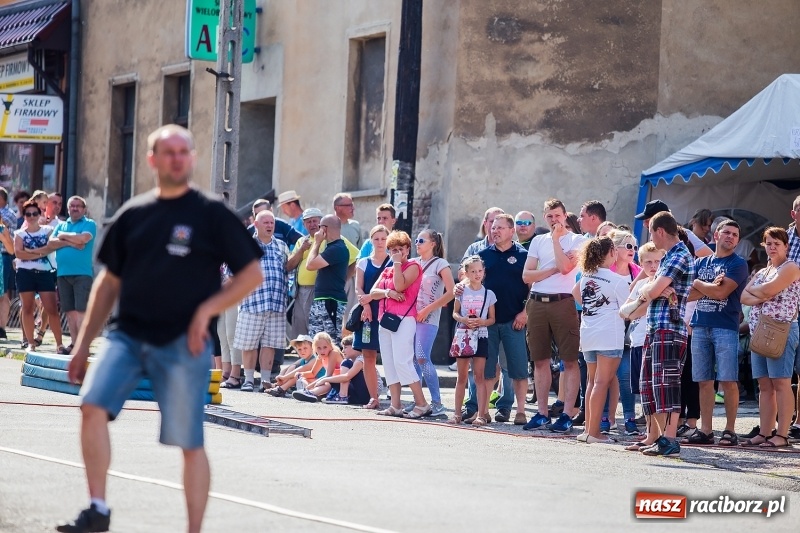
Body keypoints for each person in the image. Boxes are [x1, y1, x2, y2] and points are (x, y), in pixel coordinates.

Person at [59, 125, 263, 533]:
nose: (175, 158)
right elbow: (107, 284)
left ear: (192, 158)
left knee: (189, 442)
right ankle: (97, 508)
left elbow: (251, 274)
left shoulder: (210, 214)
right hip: (127, 336)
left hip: (182, 343)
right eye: (167, 152)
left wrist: (206, 310)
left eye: (183, 151)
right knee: (91, 404)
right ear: (152, 160)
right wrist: (81, 346)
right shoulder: (134, 215)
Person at [523, 199, 587, 432]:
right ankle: (541, 413)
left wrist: (557, 242)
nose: (553, 220)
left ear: (565, 216)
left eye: (557, 216)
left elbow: (565, 268)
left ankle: (568, 414)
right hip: (537, 302)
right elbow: (526, 276)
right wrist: (548, 271)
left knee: (569, 360)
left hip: (563, 301)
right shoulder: (538, 241)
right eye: (549, 216)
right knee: (539, 360)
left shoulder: (577, 240)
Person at [636, 211, 695, 456]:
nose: (651, 237)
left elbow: (654, 288)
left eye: (651, 232)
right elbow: (652, 288)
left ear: (660, 231)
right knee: (650, 386)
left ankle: (670, 440)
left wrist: (652, 288)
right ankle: (660, 438)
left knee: (667, 385)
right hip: (657, 328)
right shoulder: (670, 256)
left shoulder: (678, 255)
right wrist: (653, 288)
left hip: (670, 329)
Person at [686, 219, 748, 446]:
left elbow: (722, 294)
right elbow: (689, 294)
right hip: (700, 325)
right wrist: (709, 284)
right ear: (716, 236)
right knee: (703, 381)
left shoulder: (739, 264)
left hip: (725, 327)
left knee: (728, 380)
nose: (731, 237)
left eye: (735, 234)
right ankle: (706, 430)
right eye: (727, 233)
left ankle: (730, 430)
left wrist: (701, 285)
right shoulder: (701, 262)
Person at [740, 227, 800, 448]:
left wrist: (761, 292)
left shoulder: (791, 267)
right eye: (768, 243)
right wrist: (763, 292)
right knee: (764, 385)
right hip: (758, 331)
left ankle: (782, 435)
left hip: (781, 329)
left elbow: (762, 292)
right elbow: (744, 296)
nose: (772, 247)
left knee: (782, 383)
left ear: (786, 246)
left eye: (777, 243)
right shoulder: (762, 272)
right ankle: (765, 432)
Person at [235, 210, 303, 392]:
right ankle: (248, 380)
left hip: (276, 304)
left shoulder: (281, 246)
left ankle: (265, 380)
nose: (269, 225)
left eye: (271, 223)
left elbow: (287, 270)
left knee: (270, 344)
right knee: (248, 344)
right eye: (265, 222)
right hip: (252, 302)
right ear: (256, 225)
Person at [573, 236, 629, 444]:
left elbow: (575, 293)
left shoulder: (587, 276)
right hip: (609, 335)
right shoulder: (617, 281)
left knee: (591, 381)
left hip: (588, 333)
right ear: (612, 252)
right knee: (601, 382)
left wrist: (593, 309)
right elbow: (627, 310)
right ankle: (594, 432)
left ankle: (588, 429)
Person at [369, 230, 428, 418]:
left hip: (404, 319)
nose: (396, 252)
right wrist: (388, 293)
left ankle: (422, 403)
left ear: (407, 249)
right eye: (392, 249)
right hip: (384, 319)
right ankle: (395, 404)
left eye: (400, 249)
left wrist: (395, 263)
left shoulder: (414, 266)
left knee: (403, 361)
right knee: (389, 362)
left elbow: (401, 285)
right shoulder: (387, 270)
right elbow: (373, 292)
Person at [620, 242, 665, 451]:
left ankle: (659, 435)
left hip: (653, 339)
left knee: (656, 392)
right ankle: (650, 434)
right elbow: (626, 312)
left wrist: (641, 303)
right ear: (641, 263)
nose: (654, 265)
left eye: (658, 261)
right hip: (637, 340)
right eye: (648, 261)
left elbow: (634, 310)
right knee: (644, 392)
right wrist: (644, 300)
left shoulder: (663, 283)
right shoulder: (641, 285)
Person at [601, 229, 642, 435]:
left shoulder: (638, 271)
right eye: (628, 246)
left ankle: (629, 418)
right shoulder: (604, 271)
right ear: (614, 249)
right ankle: (604, 418)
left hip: (628, 332)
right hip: (607, 330)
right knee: (605, 377)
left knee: (625, 375)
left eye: (634, 246)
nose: (632, 250)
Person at [409, 229, 455, 416]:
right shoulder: (413, 262)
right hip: (410, 316)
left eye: (421, 240)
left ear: (433, 243)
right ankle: (418, 401)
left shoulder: (440, 264)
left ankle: (437, 403)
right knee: (412, 359)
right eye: (416, 240)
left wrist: (428, 309)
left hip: (428, 318)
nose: (417, 243)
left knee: (421, 357)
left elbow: (451, 292)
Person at [14, 198, 66, 353]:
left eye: (34, 213)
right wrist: (41, 251)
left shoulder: (47, 231)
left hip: (44, 273)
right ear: (24, 216)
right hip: (25, 273)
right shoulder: (19, 234)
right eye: (28, 214)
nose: (31, 216)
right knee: (28, 308)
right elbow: (18, 253)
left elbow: (53, 246)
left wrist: (31, 252)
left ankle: (59, 344)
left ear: (39, 213)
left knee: (51, 309)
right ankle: (31, 343)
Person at [449, 255, 496, 425]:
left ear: (484, 272)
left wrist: (481, 322)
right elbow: (454, 313)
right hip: (463, 335)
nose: (477, 274)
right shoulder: (461, 290)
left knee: (479, 376)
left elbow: (492, 318)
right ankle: (456, 414)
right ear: (466, 273)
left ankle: (481, 415)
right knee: (461, 376)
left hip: (481, 335)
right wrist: (463, 320)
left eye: (480, 271)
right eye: (473, 271)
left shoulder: (488, 294)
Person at [49, 196, 96, 350]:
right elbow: (50, 243)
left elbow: (83, 239)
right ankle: (75, 344)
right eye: (72, 206)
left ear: (84, 209)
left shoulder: (89, 224)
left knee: (82, 312)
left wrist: (62, 238)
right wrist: (71, 242)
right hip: (62, 274)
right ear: (68, 209)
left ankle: (83, 347)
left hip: (82, 274)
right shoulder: (62, 225)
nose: (75, 208)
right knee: (70, 313)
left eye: (78, 206)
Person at [354, 225, 391, 408]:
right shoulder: (363, 262)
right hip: (367, 313)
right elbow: (358, 288)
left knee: (391, 355)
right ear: (371, 241)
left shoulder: (393, 262)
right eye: (376, 239)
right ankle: (373, 397)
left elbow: (393, 288)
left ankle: (395, 397)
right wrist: (366, 304)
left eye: (383, 239)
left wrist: (373, 297)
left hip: (388, 313)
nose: (380, 243)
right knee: (368, 356)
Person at [306, 214, 351, 345]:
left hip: (332, 301)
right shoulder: (332, 247)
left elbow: (310, 264)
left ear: (324, 229)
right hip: (323, 300)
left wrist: (316, 242)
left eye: (320, 227)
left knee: (332, 343)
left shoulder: (338, 248)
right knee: (317, 343)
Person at [634, 199, 711, 258]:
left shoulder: (686, 234)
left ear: (659, 218)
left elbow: (710, 256)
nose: (644, 224)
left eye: (647, 220)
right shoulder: (655, 237)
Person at [311, 335, 370, 405]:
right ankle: (311, 393)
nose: (342, 351)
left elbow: (346, 377)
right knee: (334, 379)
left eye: (345, 348)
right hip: (357, 394)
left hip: (366, 396)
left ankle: (342, 396)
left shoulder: (361, 359)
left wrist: (325, 379)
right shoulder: (353, 361)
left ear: (355, 347)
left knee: (345, 363)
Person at [784, 195, 800, 441]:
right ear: (793, 213)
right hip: (786, 312)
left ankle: (798, 420)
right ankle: (785, 422)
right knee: (784, 372)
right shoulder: (783, 238)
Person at [292, 332, 344, 402]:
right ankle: (308, 393)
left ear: (330, 346)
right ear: (315, 348)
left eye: (325, 347)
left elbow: (328, 375)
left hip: (342, 384)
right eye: (319, 348)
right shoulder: (320, 357)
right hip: (332, 383)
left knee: (326, 383)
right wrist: (301, 374)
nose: (322, 351)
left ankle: (311, 392)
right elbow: (313, 373)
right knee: (304, 378)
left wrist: (308, 387)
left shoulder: (333, 353)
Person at [0, 187, 17, 338]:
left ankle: (1, 328)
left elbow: (11, 248)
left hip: (4, 256)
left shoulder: (8, 213)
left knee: (3, 293)